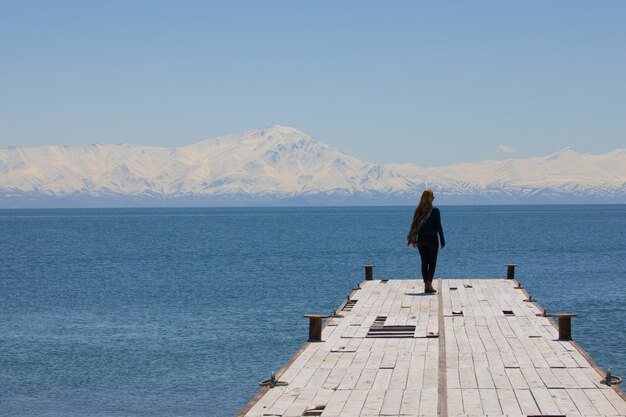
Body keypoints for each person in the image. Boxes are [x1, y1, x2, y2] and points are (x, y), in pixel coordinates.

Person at [407, 189, 445, 293]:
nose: (433, 198)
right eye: (432, 197)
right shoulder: (435, 211)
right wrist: (442, 240)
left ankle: (426, 285)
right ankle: (429, 285)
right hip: (432, 239)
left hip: (421, 240)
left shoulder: (418, 210)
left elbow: (414, 226)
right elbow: (439, 226)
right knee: (432, 262)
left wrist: (413, 239)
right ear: (429, 198)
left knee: (424, 262)